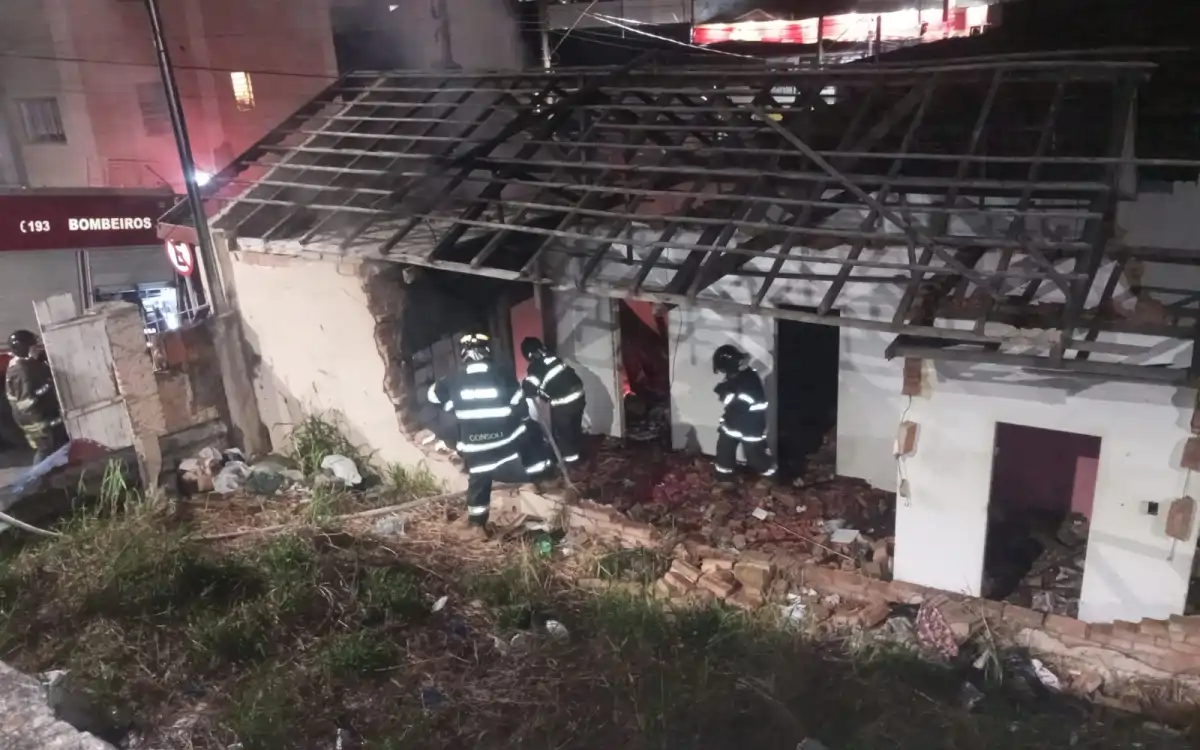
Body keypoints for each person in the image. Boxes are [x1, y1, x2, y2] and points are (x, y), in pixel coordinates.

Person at [426, 332, 537, 540]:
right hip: (505, 444)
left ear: (464, 354)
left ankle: (477, 526)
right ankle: (541, 480)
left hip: (477, 448)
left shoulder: (453, 378)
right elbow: (520, 405)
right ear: (487, 351)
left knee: (479, 481)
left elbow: (432, 396)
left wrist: (451, 405)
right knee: (528, 432)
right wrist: (522, 422)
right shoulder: (502, 374)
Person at [712, 343, 776, 480]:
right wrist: (724, 388)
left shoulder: (749, 381)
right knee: (724, 451)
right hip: (732, 422)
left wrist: (723, 390)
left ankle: (773, 477)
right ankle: (724, 478)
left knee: (755, 456)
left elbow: (736, 404)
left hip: (751, 426)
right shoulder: (735, 377)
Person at [520, 337, 586, 466]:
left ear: (529, 354)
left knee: (564, 434)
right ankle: (578, 453)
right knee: (574, 428)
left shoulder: (537, 365)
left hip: (565, 402)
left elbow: (530, 387)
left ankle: (571, 463)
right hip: (579, 396)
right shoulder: (552, 357)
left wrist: (526, 387)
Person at [5, 330, 68, 464]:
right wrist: (47, 387)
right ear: (23, 349)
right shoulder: (21, 372)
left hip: (38, 416)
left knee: (54, 446)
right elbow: (26, 402)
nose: (36, 350)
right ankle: (37, 475)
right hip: (35, 421)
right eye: (33, 347)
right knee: (45, 448)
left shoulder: (25, 364)